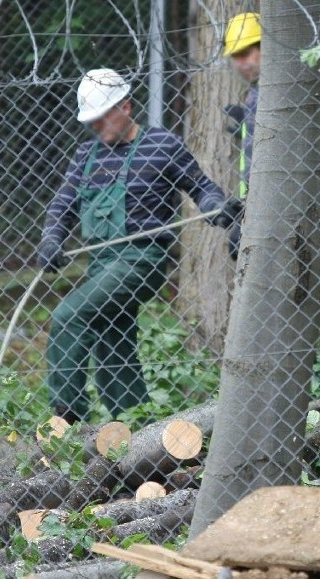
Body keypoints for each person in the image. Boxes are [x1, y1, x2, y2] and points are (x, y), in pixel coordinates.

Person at [37, 68, 242, 423]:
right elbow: (62, 205)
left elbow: (202, 188)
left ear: (126, 107)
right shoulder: (86, 156)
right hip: (101, 263)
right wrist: (52, 236)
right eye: (92, 123)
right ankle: (136, 425)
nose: (97, 129)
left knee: (70, 315)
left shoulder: (161, 145)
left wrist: (214, 206)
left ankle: (65, 415)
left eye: (102, 120)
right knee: (111, 337)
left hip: (142, 259)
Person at [221, 12, 261, 260]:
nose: (241, 63)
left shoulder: (280, 90)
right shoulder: (255, 93)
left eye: (246, 53)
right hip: (260, 198)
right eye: (236, 56)